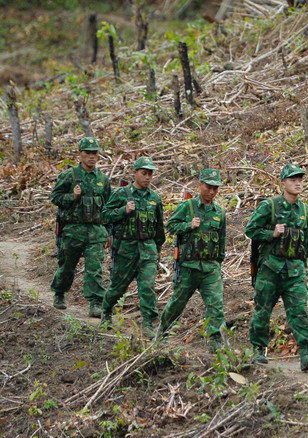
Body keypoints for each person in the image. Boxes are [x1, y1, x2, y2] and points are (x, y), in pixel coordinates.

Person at [245, 163, 308, 371]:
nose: (297, 183)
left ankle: (306, 353)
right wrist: (271, 233)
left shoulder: (305, 211)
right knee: (263, 310)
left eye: (300, 179)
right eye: (292, 179)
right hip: (270, 269)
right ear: (283, 183)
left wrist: (302, 265)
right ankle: (258, 349)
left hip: (294, 270)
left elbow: (306, 242)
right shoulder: (269, 206)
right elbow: (251, 230)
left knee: (298, 311)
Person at [157, 169, 228, 352]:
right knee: (177, 303)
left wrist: (218, 262)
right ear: (200, 186)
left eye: (215, 188)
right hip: (188, 266)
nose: (211, 192)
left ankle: (216, 342)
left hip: (210, 268)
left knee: (215, 304)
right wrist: (188, 226)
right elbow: (170, 226)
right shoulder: (187, 207)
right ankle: (162, 334)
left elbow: (221, 240)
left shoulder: (219, 212)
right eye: (208, 187)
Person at [99, 156, 165, 337]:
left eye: (150, 174)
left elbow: (159, 227)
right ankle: (106, 310)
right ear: (135, 173)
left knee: (148, 286)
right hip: (125, 249)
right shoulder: (121, 194)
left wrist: (158, 249)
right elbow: (104, 215)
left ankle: (148, 323)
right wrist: (123, 211)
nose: (147, 177)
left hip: (148, 249)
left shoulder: (155, 198)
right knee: (118, 287)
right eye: (144, 173)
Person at [50, 137, 111, 316]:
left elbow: (108, 206)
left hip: (96, 230)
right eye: (88, 153)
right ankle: (59, 293)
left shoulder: (102, 179)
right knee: (67, 265)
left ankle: (95, 303)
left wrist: (108, 231)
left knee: (95, 268)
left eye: (95, 153)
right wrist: (72, 197)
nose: (92, 157)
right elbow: (56, 198)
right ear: (80, 154)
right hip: (73, 230)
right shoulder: (69, 176)